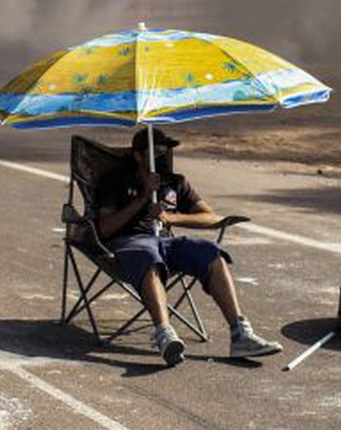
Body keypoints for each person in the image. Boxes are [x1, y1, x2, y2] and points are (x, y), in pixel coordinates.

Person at [95, 128, 282, 366]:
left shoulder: (175, 182)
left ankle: (240, 334)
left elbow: (211, 217)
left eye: (165, 153)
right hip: (128, 243)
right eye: (157, 153)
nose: (163, 158)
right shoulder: (115, 180)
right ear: (139, 156)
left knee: (210, 253)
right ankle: (164, 334)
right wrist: (143, 198)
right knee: (149, 255)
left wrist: (171, 218)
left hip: (166, 241)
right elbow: (105, 229)